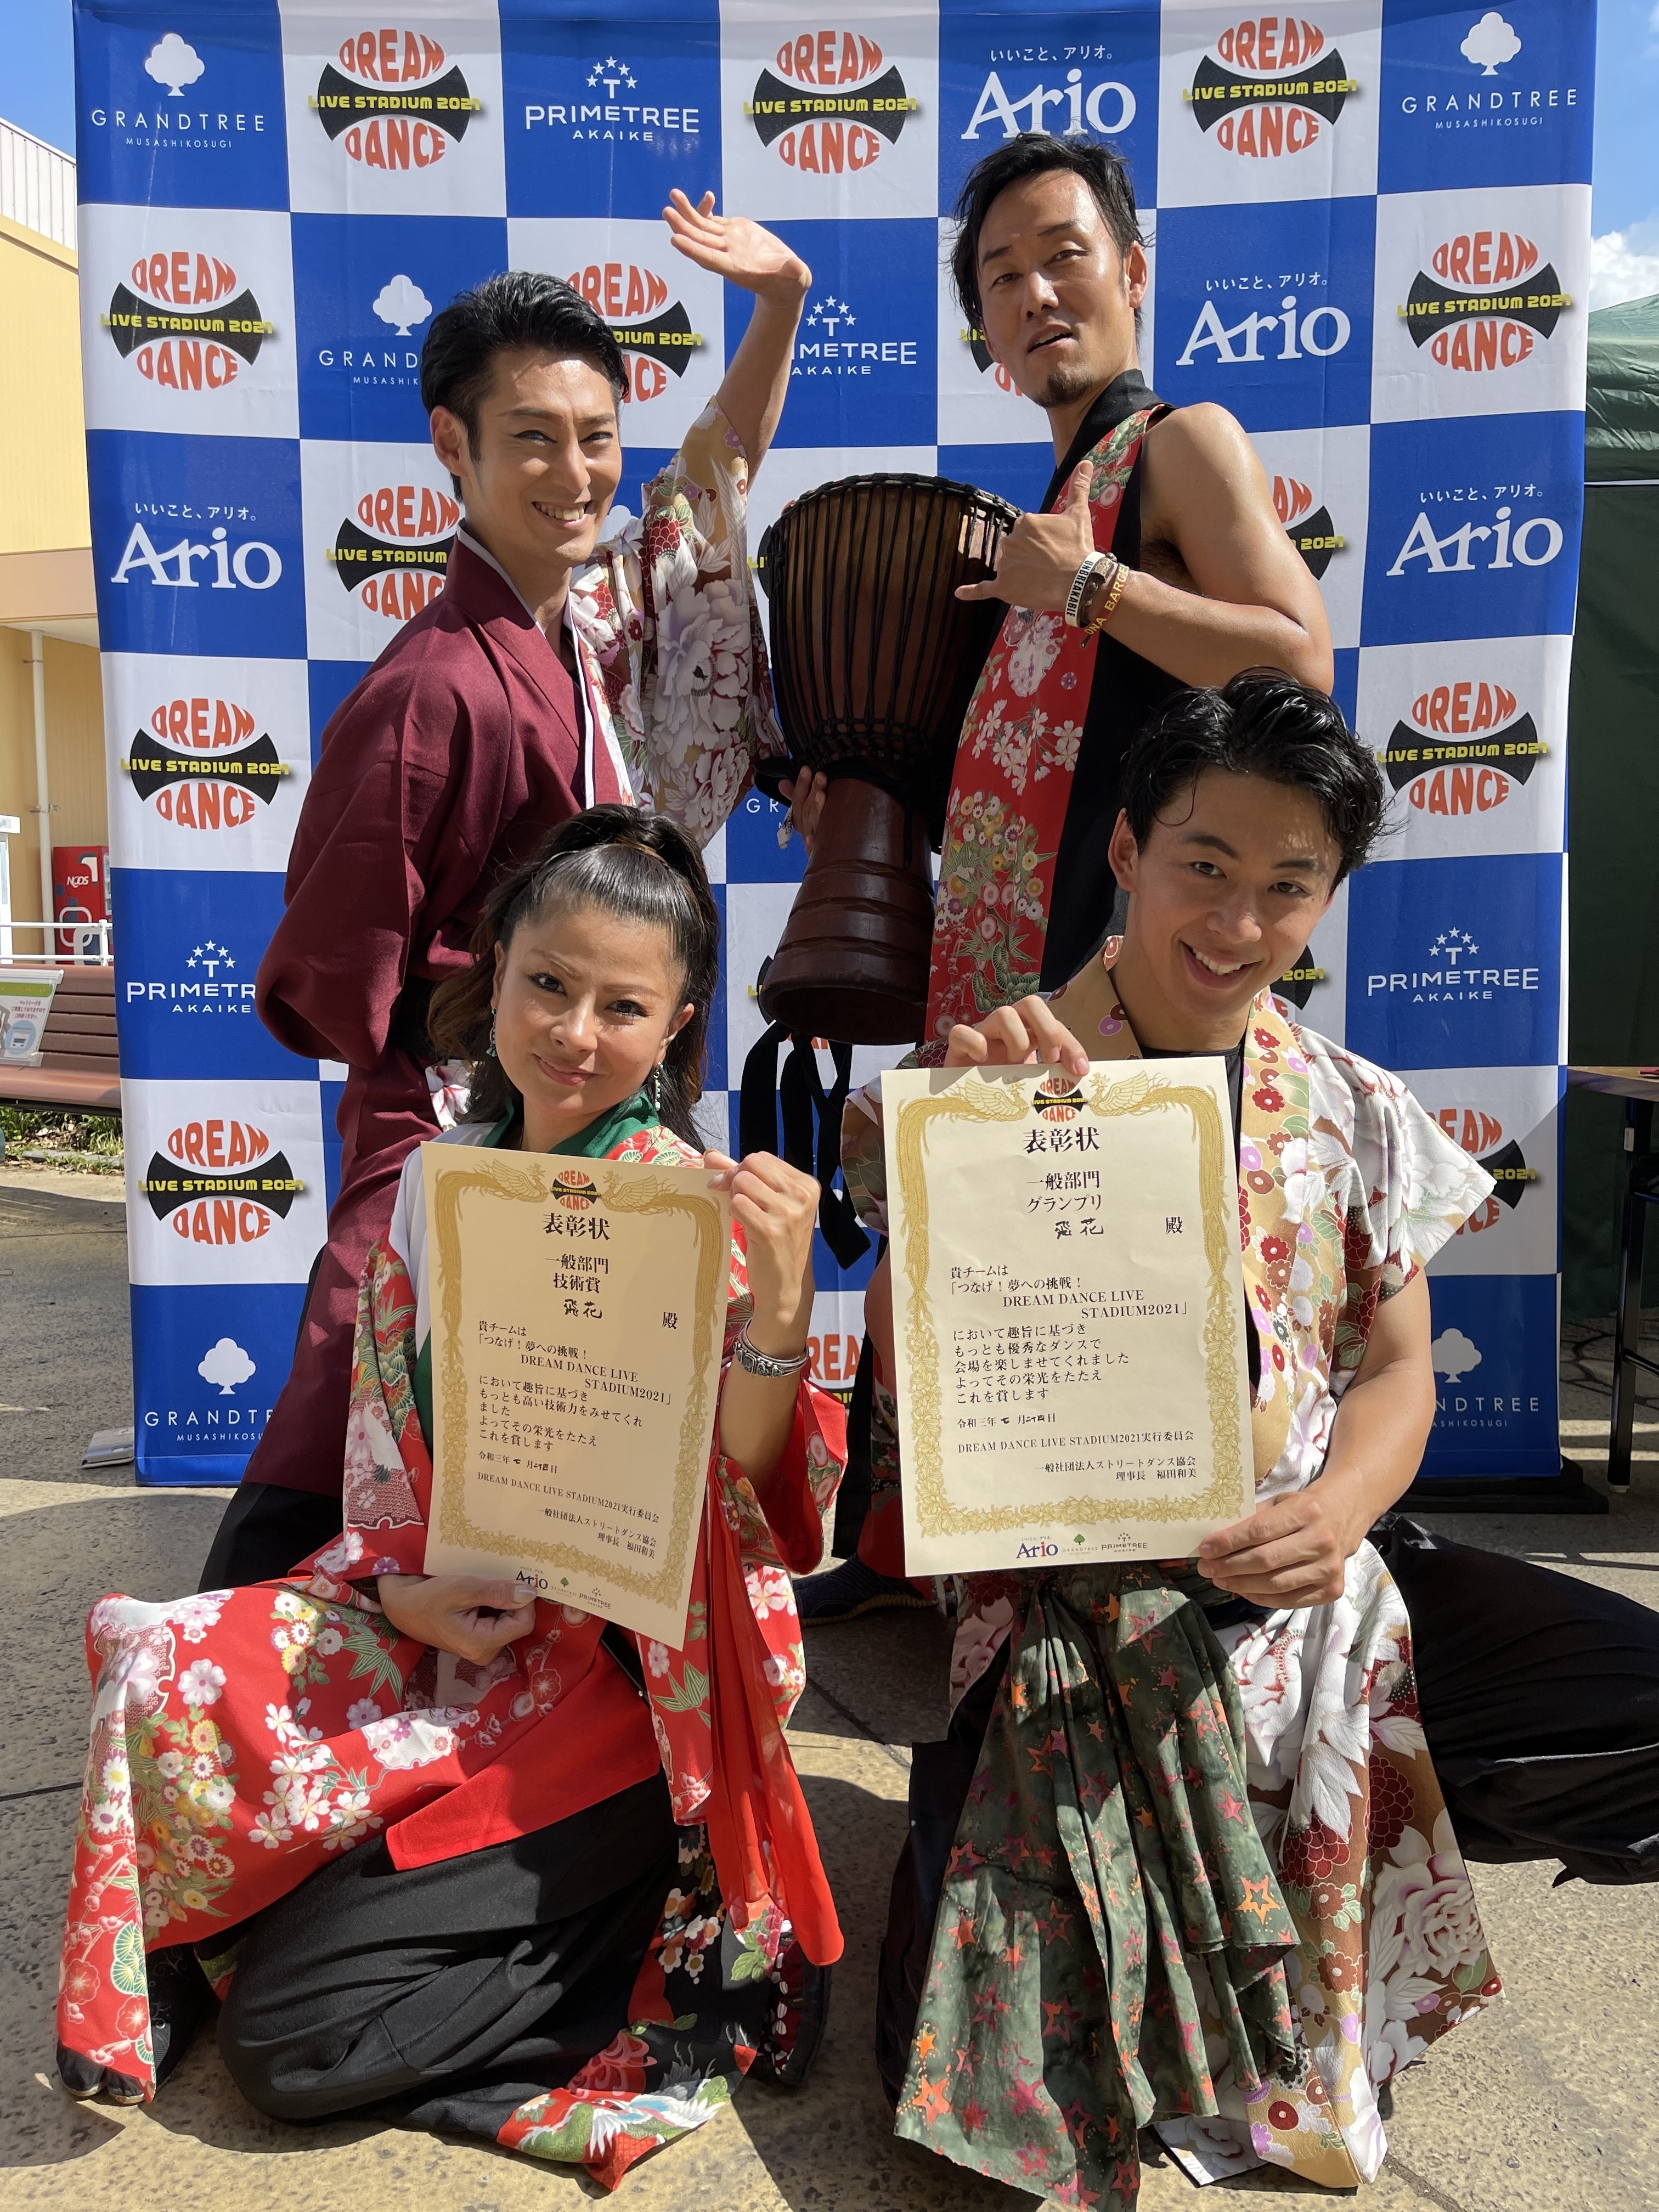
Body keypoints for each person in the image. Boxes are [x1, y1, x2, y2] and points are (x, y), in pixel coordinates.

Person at [849, 678, 1659, 2205]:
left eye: (1289, 885)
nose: (1237, 923)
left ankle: (1326, 1855)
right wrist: (952, 1158)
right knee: (982, 2108)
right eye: (1204, 867)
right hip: (1069, 1619)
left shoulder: (1351, 1104)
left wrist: (1341, 1510)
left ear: (1330, 897)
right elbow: (913, 1382)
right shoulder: (996, 1076)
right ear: (1127, 851)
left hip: (1303, 1580)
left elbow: (1399, 1372)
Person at [57, 809, 848, 2188]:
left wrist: (780, 1316)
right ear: (497, 976)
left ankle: (645, 1928)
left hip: (622, 1680)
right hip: (455, 1614)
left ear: (677, 1027)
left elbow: (758, 1508)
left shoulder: (697, 1205)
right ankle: (276, 1919)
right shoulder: (442, 1176)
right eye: (549, 984)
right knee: (165, 1664)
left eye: (623, 1007)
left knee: (294, 2047)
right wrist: (407, 1592)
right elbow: (384, 1443)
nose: (575, 1033)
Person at [214, 193, 812, 1589]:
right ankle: (238, 1654)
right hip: (464, 1131)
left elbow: (708, 483)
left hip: (572, 1115)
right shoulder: (430, 688)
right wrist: (491, 1068)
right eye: (533, 437)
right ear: (454, 446)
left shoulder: (585, 624)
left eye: (597, 436)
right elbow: (336, 981)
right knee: (358, 1414)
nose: (576, 471)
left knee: (540, 1486)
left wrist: (779, 307)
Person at [786, 134, 1331, 1617]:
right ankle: (919, 1577)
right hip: (1007, 979)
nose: (1035, 294)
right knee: (977, 1291)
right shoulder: (1056, 492)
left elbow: (1299, 659)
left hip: (1110, 989)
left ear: (1133, 271)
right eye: (1001, 275)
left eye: (1063, 255)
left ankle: (1085, 1639)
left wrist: (1086, 583)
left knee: (1090, 1329)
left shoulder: (1179, 443)